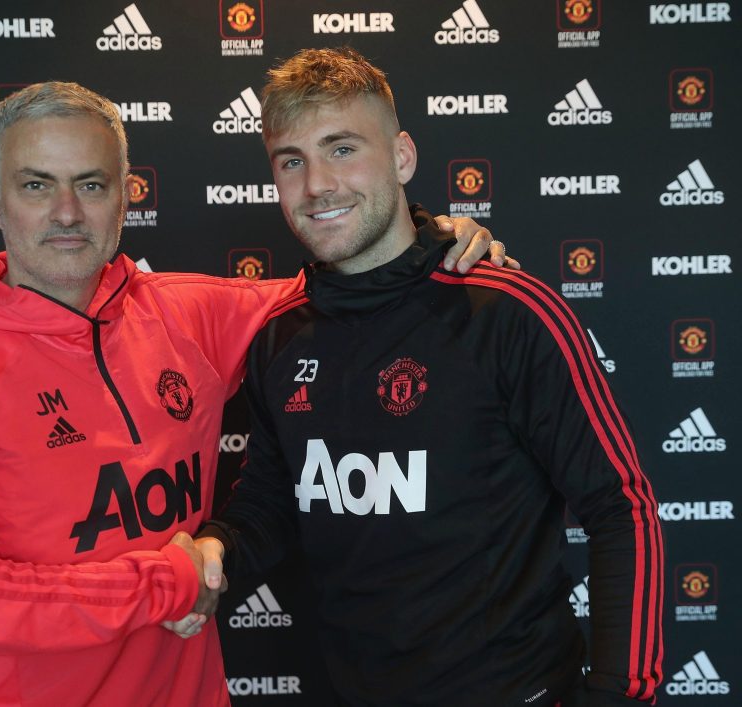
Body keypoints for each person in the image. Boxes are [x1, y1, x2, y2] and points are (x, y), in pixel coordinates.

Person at [0, 81, 509, 706]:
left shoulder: (183, 313)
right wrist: (164, 584)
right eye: (37, 185)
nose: (67, 212)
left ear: (125, 196)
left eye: (91, 185)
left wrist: (431, 239)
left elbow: (357, 284)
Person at [195, 48, 664, 706]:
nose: (317, 185)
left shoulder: (506, 310)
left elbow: (623, 507)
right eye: (291, 161)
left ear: (403, 157)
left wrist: (620, 695)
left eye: (342, 148)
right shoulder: (278, 334)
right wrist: (213, 550)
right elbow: (270, 503)